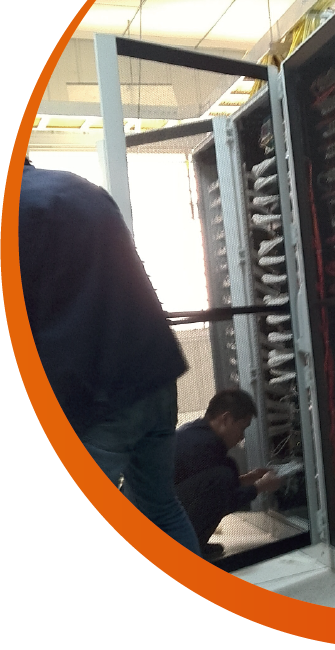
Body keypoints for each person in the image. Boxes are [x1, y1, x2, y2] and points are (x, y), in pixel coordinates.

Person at [18, 159, 200, 555]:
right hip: (155, 376)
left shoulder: (17, 211)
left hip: (97, 397)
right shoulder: (81, 188)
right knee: (161, 506)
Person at [174, 389, 281, 559]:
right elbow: (224, 499)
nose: (242, 437)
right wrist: (259, 487)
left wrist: (248, 479)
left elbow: (202, 489)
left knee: (226, 473)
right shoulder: (204, 446)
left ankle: (193, 542)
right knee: (223, 475)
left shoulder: (196, 433)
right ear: (226, 419)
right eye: (242, 428)